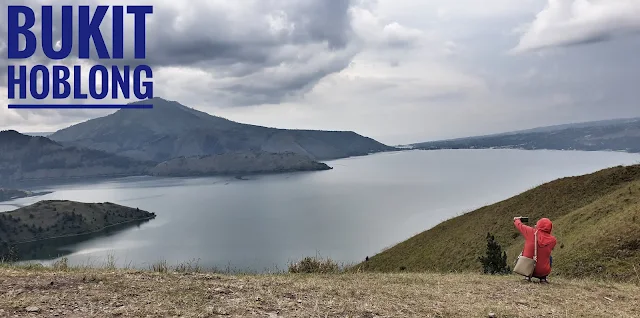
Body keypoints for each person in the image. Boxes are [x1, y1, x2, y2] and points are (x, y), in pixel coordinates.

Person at [514, 217, 557, 283]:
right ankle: (543, 279)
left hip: (527, 268)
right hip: (542, 271)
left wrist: (517, 219)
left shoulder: (531, 232)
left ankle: (527, 277)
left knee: (527, 252)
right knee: (549, 257)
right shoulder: (553, 240)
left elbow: (519, 225)